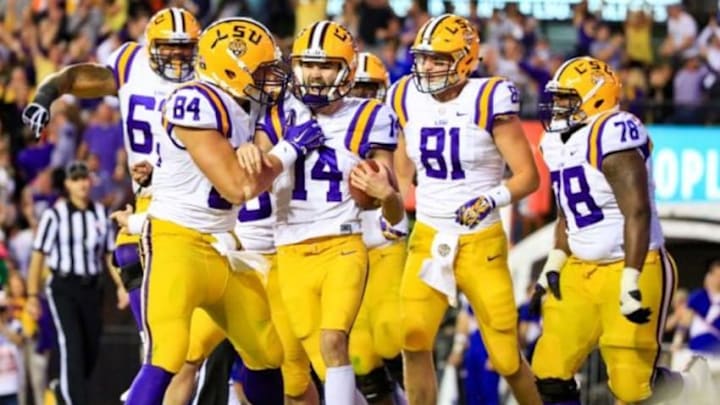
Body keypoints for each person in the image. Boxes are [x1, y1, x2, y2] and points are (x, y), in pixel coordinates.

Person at [118, 17, 322, 404]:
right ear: (232, 68)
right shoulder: (194, 100)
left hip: (224, 247)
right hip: (177, 240)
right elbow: (239, 186)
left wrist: (256, 152)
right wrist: (287, 150)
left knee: (266, 352)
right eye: (261, 69)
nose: (270, 78)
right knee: (169, 352)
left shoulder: (242, 104)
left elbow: (250, 163)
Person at [529, 55, 716, 405]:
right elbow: (567, 211)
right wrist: (555, 260)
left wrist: (630, 280)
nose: (556, 106)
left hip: (632, 263)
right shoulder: (554, 142)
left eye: (566, 99)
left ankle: (690, 384)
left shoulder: (612, 133)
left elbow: (638, 212)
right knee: (548, 373)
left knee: (632, 388)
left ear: (596, 98)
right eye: (556, 98)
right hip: (580, 268)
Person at [21, 6, 201, 362]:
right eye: (169, 47)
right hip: (149, 199)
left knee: (197, 342)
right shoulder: (131, 63)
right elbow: (73, 78)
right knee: (135, 267)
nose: (179, 56)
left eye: (186, 47)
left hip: (197, 199)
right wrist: (47, 92)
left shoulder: (212, 75)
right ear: (150, 46)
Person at [238, 20, 404, 404]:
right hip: (290, 250)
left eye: (326, 65)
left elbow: (393, 212)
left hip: (342, 244)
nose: (315, 74)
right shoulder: (278, 114)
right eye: (308, 64)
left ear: (346, 69)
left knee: (334, 341)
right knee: (320, 361)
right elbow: (253, 181)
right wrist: (248, 152)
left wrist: (386, 195)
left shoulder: (370, 116)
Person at [389, 13, 541, 405]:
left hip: (481, 242)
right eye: (423, 58)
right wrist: (388, 203)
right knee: (412, 339)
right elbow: (404, 166)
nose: (426, 67)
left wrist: (491, 198)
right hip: (428, 235)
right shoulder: (406, 95)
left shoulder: (489, 98)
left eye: (438, 59)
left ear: (465, 60)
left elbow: (528, 176)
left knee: (506, 359)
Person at [26, 160, 126, 405]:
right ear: (67, 184)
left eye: (85, 178)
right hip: (63, 288)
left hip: (92, 288)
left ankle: (62, 387)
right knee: (72, 345)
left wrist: (122, 285)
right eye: (76, 179)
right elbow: (39, 255)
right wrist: (32, 295)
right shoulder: (55, 215)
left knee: (90, 350)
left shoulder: (100, 214)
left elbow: (109, 254)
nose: (82, 183)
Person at [348, 52, 408, 404]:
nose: (362, 97)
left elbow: (401, 189)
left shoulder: (389, 128)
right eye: (357, 88)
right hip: (346, 246)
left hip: (386, 241)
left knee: (392, 338)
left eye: (369, 89)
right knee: (362, 360)